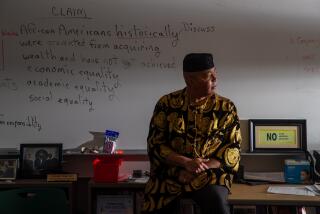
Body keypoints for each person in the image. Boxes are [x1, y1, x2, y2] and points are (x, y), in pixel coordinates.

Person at [142, 53, 242, 214]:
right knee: (156, 202)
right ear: (189, 80)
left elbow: (232, 150)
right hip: (172, 172)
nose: (215, 79)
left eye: (215, 72)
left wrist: (197, 168)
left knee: (216, 200)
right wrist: (185, 163)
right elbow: (156, 145)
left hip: (210, 174)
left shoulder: (226, 108)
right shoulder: (166, 104)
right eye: (208, 76)